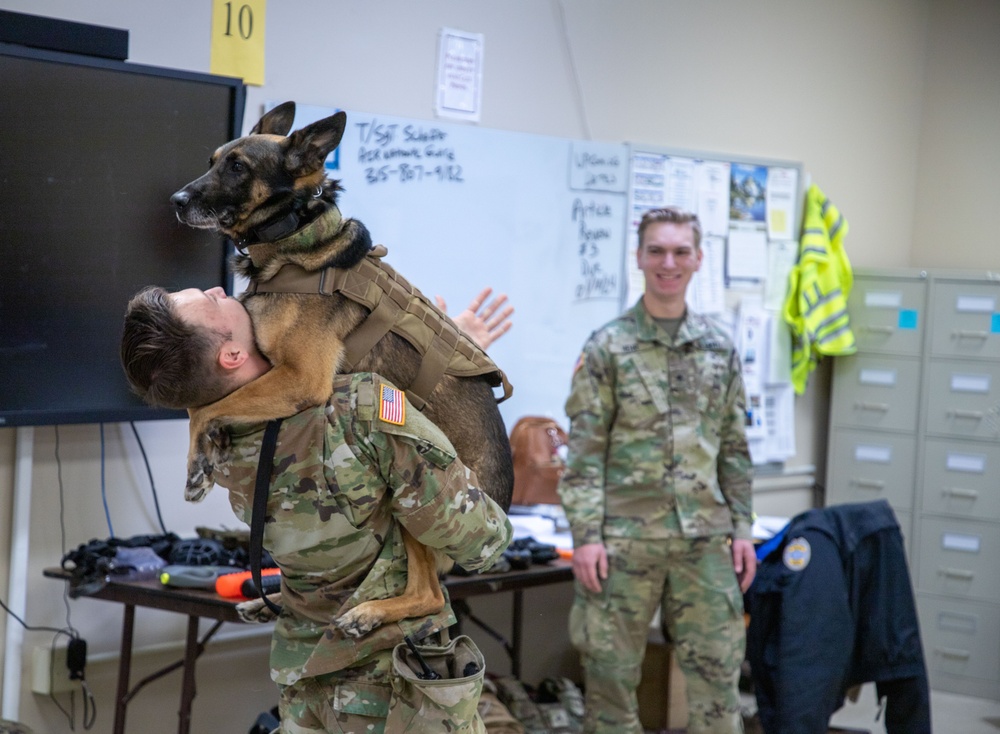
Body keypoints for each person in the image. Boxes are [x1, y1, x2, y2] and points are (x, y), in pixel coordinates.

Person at [120, 285, 515, 733]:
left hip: (308, 695)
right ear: (230, 356)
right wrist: (440, 390)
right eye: (212, 302)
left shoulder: (222, 447)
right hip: (395, 697)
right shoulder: (358, 409)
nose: (218, 288)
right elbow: (483, 541)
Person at [558, 206, 756, 734]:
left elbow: (734, 447)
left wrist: (742, 529)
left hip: (705, 542)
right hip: (623, 543)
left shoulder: (719, 347)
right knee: (610, 682)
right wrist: (587, 537)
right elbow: (584, 453)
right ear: (640, 258)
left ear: (697, 259)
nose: (668, 262)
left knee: (718, 684)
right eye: (657, 251)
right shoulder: (608, 346)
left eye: (680, 251)